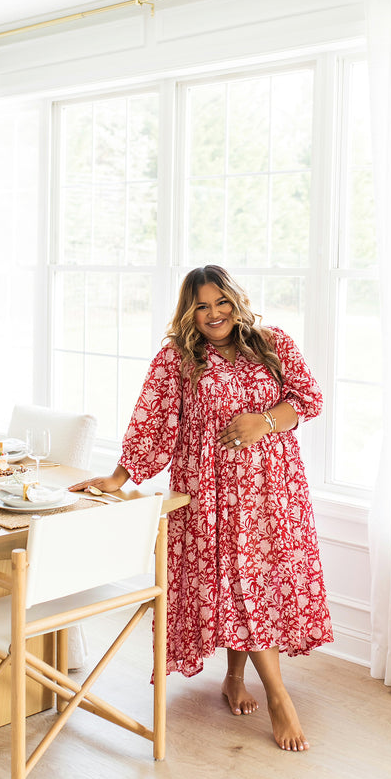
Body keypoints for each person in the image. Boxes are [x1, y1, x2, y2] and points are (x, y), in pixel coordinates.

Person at [71, 265, 333, 752]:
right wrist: (119, 477)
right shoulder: (176, 358)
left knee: (254, 587)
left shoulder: (273, 343)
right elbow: (151, 424)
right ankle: (279, 697)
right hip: (210, 491)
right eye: (202, 305)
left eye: (221, 302)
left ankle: (236, 679)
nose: (214, 314)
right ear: (188, 311)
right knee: (236, 586)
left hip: (272, 489)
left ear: (236, 300)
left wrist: (265, 422)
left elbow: (308, 399)